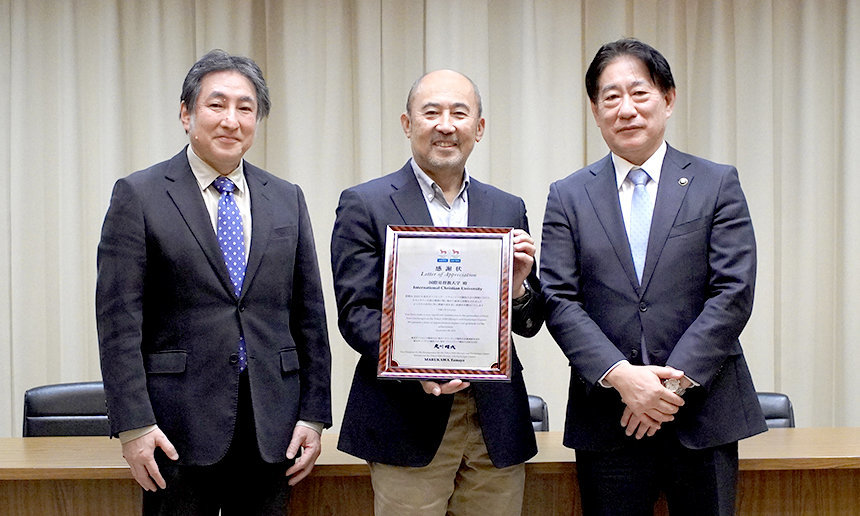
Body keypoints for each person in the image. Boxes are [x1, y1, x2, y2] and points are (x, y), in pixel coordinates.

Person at [96, 49, 332, 514]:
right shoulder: (139, 195)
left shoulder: (286, 198)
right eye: (216, 104)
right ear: (186, 114)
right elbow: (118, 323)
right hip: (175, 426)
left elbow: (309, 314)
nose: (232, 120)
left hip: (272, 424)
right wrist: (134, 426)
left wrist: (313, 414)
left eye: (246, 108)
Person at [539, 38, 767, 515]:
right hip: (609, 419)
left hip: (703, 414)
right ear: (596, 110)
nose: (627, 109)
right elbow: (559, 299)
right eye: (611, 97)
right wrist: (623, 378)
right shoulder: (568, 195)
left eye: (639, 93)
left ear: (668, 98)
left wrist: (669, 388)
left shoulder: (716, 182)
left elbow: (733, 291)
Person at [330, 69, 543, 515]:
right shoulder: (364, 204)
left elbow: (528, 323)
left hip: (495, 424)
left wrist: (520, 287)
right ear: (408, 124)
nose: (446, 125)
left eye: (459, 113)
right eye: (431, 112)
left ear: (478, 128)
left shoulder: (506, 207)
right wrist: (413, 365)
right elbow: (356, 314)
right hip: (406, 419)